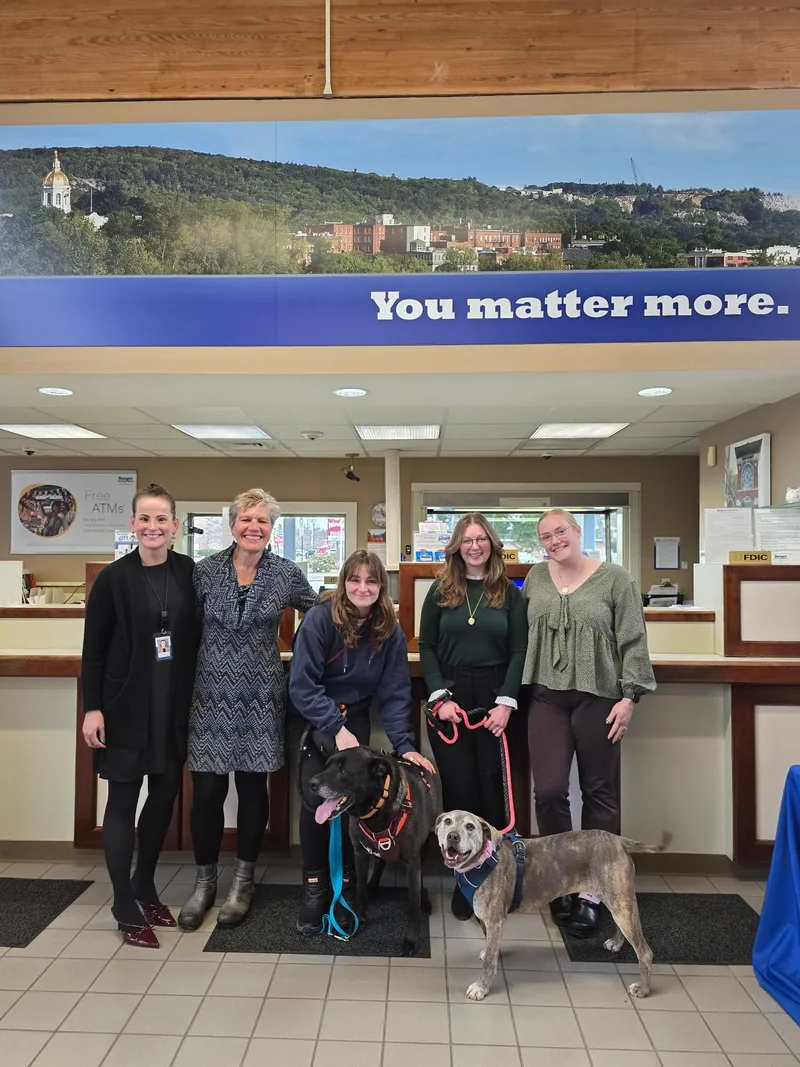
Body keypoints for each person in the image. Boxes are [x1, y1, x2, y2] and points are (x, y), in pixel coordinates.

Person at [179, 488, 318, 931]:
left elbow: (319, 615)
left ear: (272, 529)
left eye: (263, 521)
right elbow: (183, 630)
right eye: (246, 520)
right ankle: (204, 884)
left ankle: (243, 882)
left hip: (261, 696)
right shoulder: (202, 573)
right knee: (207, 795)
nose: (254, 527)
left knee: (254, 792)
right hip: (208, 696)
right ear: (232, 525)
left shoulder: (286, 573)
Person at [522, 508, 656, 937]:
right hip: (546, 698)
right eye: (546, 536)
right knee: (547, 792)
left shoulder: (615, 578)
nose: (555, 540)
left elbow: (634, 639)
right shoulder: (535, 579)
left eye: (561, 531)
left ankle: (594, 891)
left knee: (599, 793)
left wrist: (630, 696)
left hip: (599, 699)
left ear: (577, 532)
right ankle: (561, 881)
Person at [287, 549, 435, 935]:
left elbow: (395, 692)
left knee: (357, 803)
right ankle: (315, 888)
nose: (362, 588)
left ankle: (351, 882)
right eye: (355, 580)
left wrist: (405, 746)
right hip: (315, 717)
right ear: (343, 583)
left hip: (354, 721)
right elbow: (302, 686)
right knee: (317, 799)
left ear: (381, 588)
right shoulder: (320, 619)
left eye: (371, 581)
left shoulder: (389, 629)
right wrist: (335, 728)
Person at [81, 484, 200, 948]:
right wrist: (93, 708)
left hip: (172, 708)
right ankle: (122, 901)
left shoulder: (188, 572)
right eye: (144, 519)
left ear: (174, 526)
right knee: (122, 803)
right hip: (124, 708)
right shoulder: (114, 579)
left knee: (164, 797)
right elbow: (93, 652)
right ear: (132, 524)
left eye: (162, 519)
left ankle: (145, 883)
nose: (153, 527)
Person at [419, 512, 528, 920]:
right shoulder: (440, 590)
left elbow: (520, 651)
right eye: (467, 540)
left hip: (496, 696)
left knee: (492, 795)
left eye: (482, 539)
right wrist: (439, 698)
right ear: (457, 547)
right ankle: (465, 885)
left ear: (492, 544)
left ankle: (496, 885)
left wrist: (506, 702)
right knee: (460, 792)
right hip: (449, 698)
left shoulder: (509, 593)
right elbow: (426, 646)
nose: (475, 546)